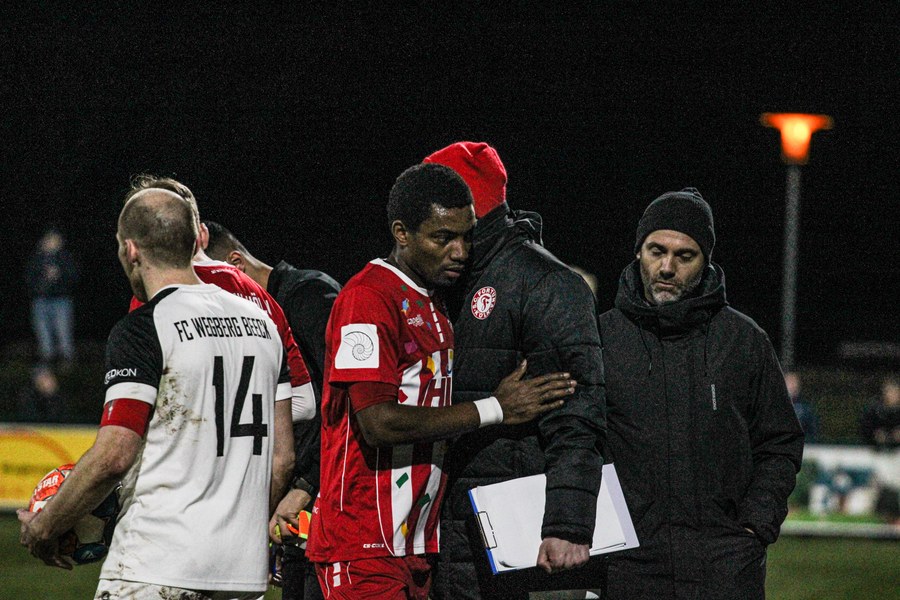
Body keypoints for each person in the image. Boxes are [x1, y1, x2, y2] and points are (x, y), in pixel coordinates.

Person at [305, 163, 577, 599]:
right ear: (402, 233)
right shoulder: (367, 298)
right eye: (443, 238)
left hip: (415, 543)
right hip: (364, 543)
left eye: (467, 236)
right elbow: (377, 422)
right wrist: (496, 408)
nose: (460, 251)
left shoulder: (434, 300)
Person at [18, 188, 295, 599]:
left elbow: (114, 456)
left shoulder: (144, 327)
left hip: (157, 564)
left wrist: (45, 527)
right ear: (193, 241)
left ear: (131, 249)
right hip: (241, 575)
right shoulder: (264, 324)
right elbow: (282, 458)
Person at [596, 188, 804, 600]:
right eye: (656, 251)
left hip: (725, 568)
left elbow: (780, 443)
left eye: (684, 256)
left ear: (706, 260)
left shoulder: (744, 341)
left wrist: (754, 526)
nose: (666, 267)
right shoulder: (602, 338)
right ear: (638, 252)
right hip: (630, 567)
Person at [423, 142, 606, 599]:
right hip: (438, 527)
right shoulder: (438, 284)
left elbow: (577, 414)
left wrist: (567, 524)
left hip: (514, 533)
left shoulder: (546, 283)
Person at [205, 220, 341, 600]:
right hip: (293, 509)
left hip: (327, 504)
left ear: (236, 265)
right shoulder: (255, 323)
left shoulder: (309, 297)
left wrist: (305, 486)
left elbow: (349, 403)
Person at [125, 177, 316, 439]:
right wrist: (242, 424)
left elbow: (136, 415)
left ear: (134, 247)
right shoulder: (261, 298)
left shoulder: (151, 301)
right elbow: (304, 403)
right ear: (201, 234)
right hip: (256, 460)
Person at [27, 228, 79, 366]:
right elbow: (29, 279)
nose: (52, 242)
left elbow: (74, 278)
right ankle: (46, 360)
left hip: (61, 300)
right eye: (49, 239)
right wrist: (43, 277)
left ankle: (67, 360)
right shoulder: (36, 258)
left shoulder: (65, 257)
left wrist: (59, 274)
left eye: (56, 240)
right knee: (43, 332)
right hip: (40, 300)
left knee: (63, 330)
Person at [859, 375, 900, 450]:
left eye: (895, 392)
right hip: (874, 450)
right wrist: (875, 434)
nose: (892, 395)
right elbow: (864, 428)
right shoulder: (874, 409)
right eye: (889, 391)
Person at [785, 372, 820, 443]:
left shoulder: (805, 409)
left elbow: (813, 431)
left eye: (794, 383)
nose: (792, 386)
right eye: (789, 382)